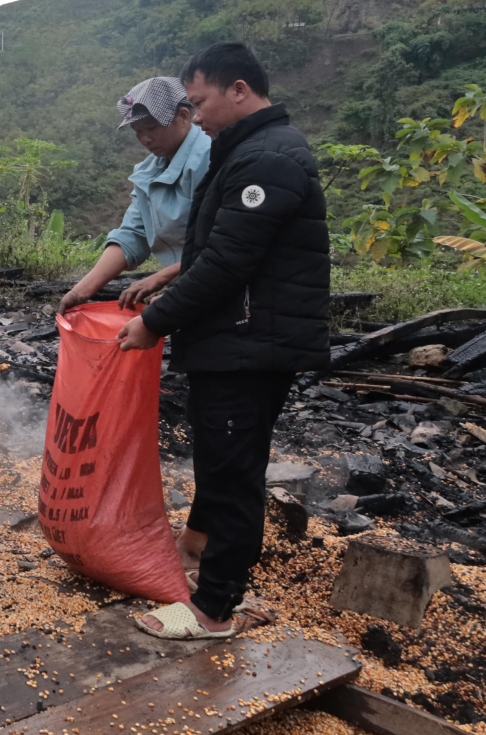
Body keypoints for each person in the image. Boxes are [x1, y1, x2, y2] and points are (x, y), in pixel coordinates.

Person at [117, 42, 329, 639]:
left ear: (239, 90)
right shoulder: (245, 151)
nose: (199, 115)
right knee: (224, 461)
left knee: (233, 472)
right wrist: (164, 280)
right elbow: (214, 252)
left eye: (202, 101)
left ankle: (213, 610)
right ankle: (209, 572)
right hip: (238, 337)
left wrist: (154, 323)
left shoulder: (269, 159)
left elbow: (227, 263)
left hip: (249, 341)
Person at [61, 77, 211, 311]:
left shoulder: (208, 159)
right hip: (188, 282)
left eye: (151, 128)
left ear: (183, 116)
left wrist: (162, 279)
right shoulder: (148, 172)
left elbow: (222, 244)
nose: (145, 139)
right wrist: (81, 291)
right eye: (137, 131)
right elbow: (133, 233)